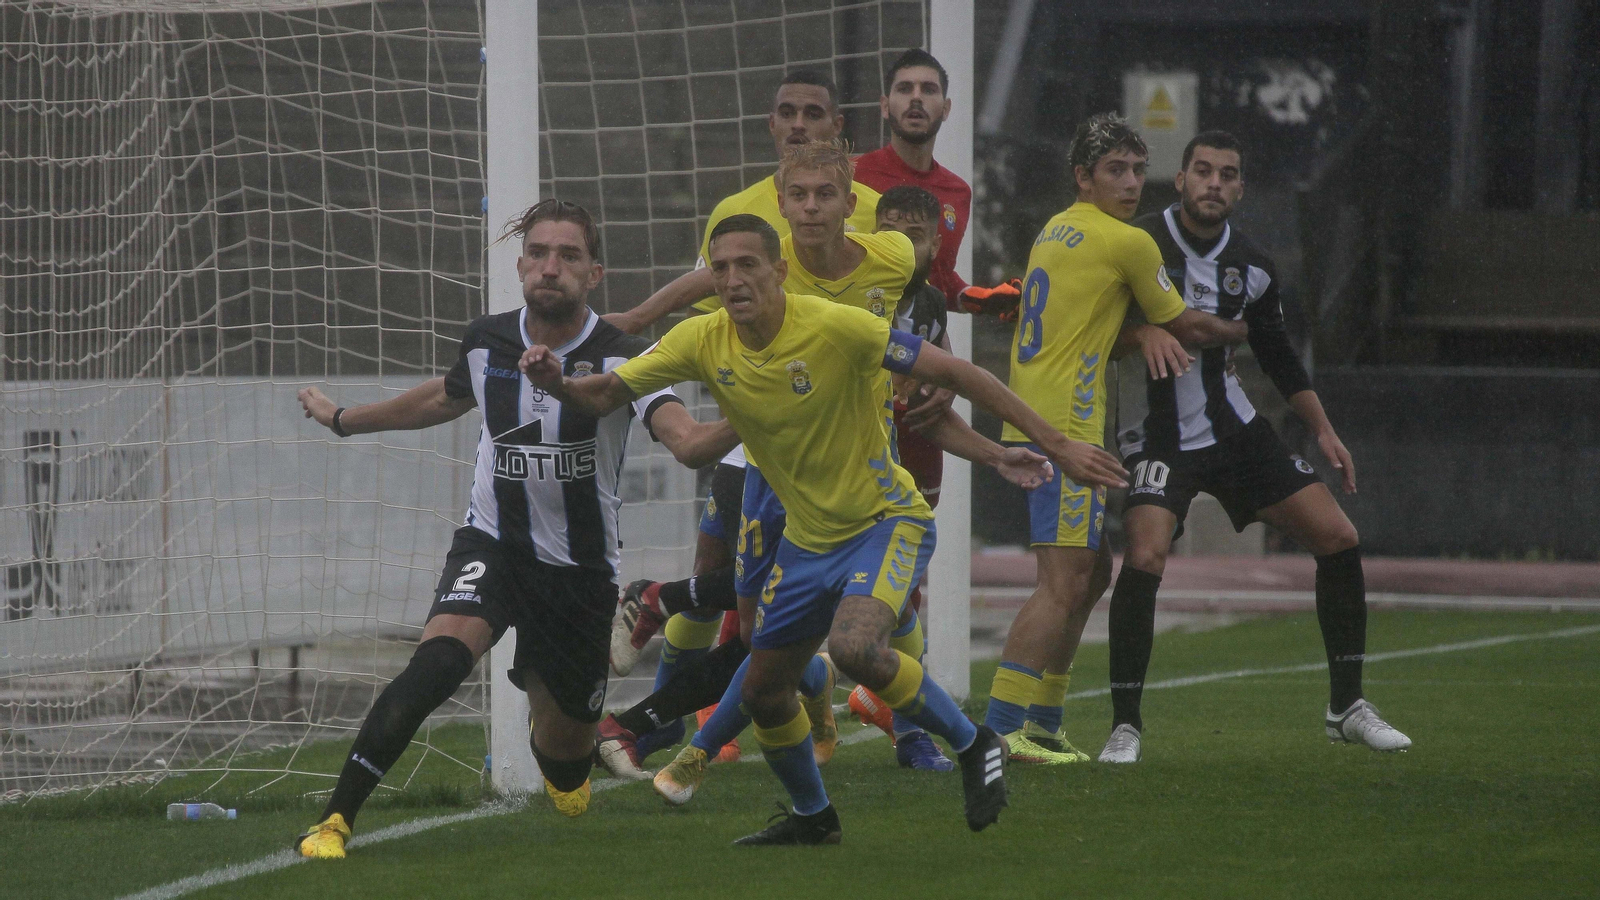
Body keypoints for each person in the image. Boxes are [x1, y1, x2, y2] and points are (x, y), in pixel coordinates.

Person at [520, 213, 1129, 844]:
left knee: (855, 648)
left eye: (747, 264)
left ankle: (976, 746)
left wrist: (1052, 445)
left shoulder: (838, 326)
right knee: (763, 691)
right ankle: (814, 817)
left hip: (885, 522)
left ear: (779, 270)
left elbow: (957, 375)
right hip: (806, 544)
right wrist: (557, 383)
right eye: (720, 268)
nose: (732, 279)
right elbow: (602, 395)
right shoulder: (701, 339)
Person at [291, 200, 739, 859]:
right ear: (522, 263)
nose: (550, 266)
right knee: (437, 663)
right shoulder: (486, 340)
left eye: (568, 256)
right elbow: (441, 398)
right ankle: (334, 821)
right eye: (538, 253)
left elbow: (690, 443)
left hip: (579, 576)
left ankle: (550, 712)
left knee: (565, 760)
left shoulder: (626, 357)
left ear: (594, 273)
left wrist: (757, 415)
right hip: (493, 546)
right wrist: (343, 419)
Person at [595, 145, 1039, 787]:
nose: (810, 206)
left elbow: (941, 371)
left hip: (857, 475)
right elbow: (711, 282)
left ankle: (907, 732)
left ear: (849, 199)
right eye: (798, 193)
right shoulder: (763, 260)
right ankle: (692, 727)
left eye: (924, 237)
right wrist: (638, 319)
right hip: (761, 466)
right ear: (782, 199)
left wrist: (999, 446)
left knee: (868, 619)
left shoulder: (894, 275)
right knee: (758, 629)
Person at [1099, 131, 1411, 763]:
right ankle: (1125, 725)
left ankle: (1346, 707)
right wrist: (1143, 336)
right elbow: (1093, 326)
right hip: (1156, 436)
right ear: (1181, 179)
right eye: (1203, 171)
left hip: (1236, 431)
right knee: (1147, 553)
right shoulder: (1139, 244)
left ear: (1240, 188)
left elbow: (1275, 353)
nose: (1214, 183)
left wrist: (1323, 430)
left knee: (1338, 535)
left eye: (1228, 174)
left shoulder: (1255, 265)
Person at [981, 113, 1247, 765]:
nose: (1131, 184)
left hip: (1033, 412)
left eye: (1136, 170)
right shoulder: (1128, 243)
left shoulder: (1056, 227)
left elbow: (1098, 320)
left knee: (1093, 570)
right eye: (1115, 171)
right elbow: (1185, 323)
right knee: (1062, 582)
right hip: (1064, 429)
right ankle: (998, 730)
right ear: (1083, 177)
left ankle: (1042, 720)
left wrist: (1146, 330)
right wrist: (1256, 327)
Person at [851, 48, 971, 308]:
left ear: (946, 108)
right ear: (885, 106)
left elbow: (938, 278)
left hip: (924, 341)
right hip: (857, 336)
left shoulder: (958, 192)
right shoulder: (851, 175)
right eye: (905, 88)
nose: (916, 98)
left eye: (928, 89)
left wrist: (976, 298)